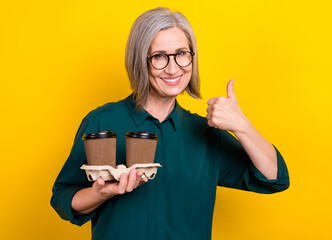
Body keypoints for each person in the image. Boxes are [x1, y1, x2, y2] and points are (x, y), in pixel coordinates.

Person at [51, 7, 289, 240]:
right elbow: (63, 198)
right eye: (159, 56)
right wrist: (100, 192)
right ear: (140, 61)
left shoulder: (205, 133)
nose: (173, 68)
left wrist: (242, 125)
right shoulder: (102, 122)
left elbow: (274, 177)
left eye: (182, 54)